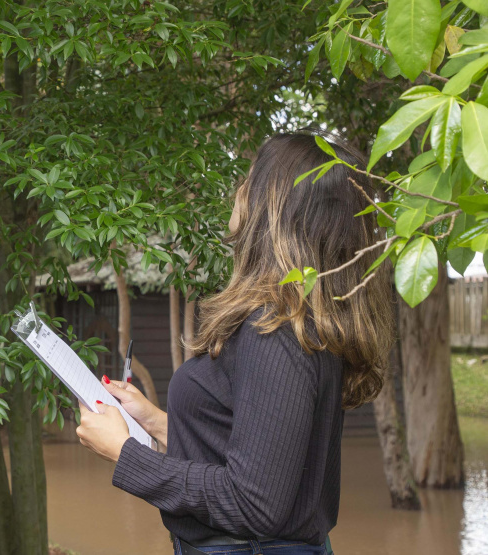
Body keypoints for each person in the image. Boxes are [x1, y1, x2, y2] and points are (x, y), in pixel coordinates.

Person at [75, 132, 393, 555]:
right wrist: (152, 421)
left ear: (275, 207)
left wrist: (126, 454)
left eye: (250, 180)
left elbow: (254, 504)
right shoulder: (294, 321)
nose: (239, 191)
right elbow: (257, 451)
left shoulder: (278, 329)